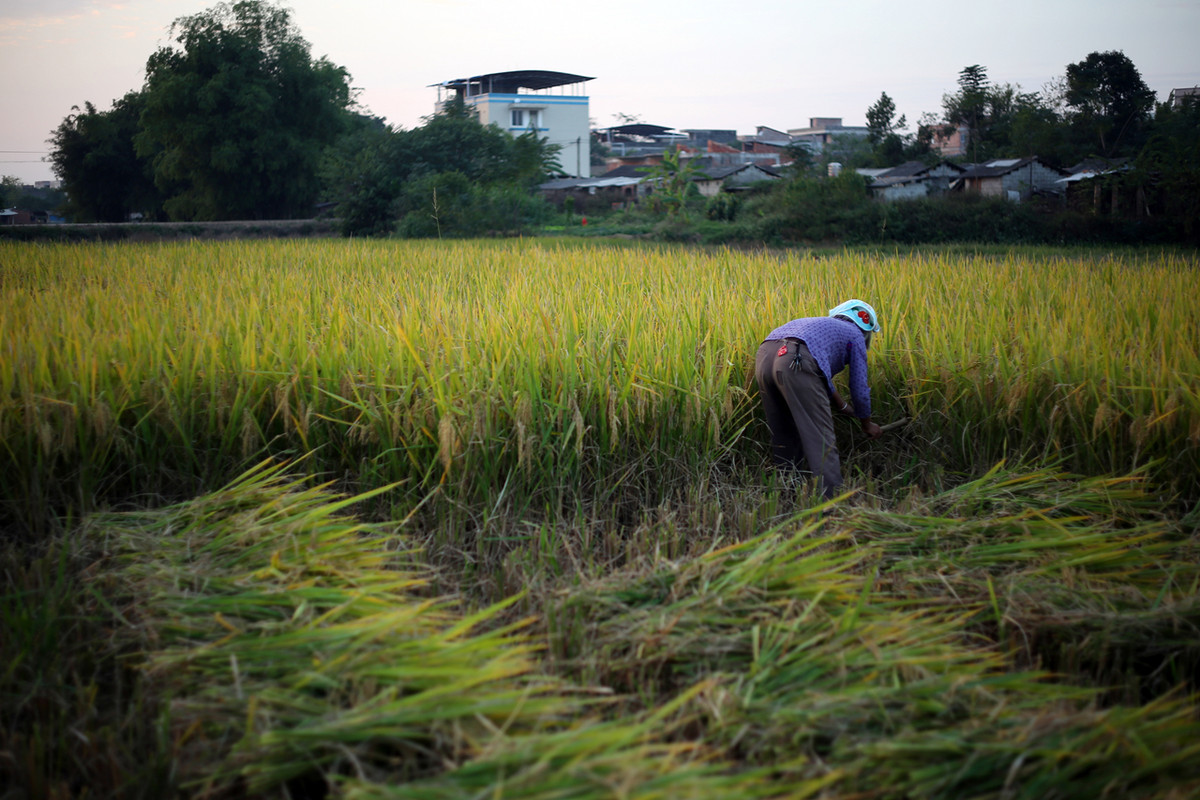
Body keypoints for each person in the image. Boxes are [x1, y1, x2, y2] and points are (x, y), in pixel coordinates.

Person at [755, 299, 883, 499]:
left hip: (765, 355)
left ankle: (786, 495)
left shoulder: (820, 324)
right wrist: (866, 423)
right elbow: (859, 388)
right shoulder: (855, 336)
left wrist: (842, 406)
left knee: (783, 432)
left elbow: (820, 375)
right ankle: (831, 503)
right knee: (821, 438)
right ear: (866, 330)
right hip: (796, 359)